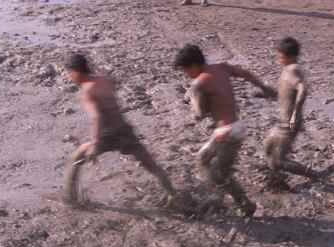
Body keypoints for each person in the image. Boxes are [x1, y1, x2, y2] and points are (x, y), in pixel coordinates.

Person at [61, 53, 178, 206]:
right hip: (124, 129)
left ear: (75, 71)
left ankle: (70, 199)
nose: (69, 77)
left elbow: (96, 117)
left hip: (106, 135)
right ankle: (172, 194)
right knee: (150, 163)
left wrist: (95, 143)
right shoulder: (104, 79)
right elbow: (114, 84)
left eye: (69, 73)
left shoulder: (86, 91)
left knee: (76, 158)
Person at [174, 44, 276, 216]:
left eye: (185, 70)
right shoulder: (221, 67)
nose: (186, 74)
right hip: (237, 127)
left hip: (226, 132)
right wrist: (264, 87)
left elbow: (199, 114)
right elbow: (246, 74)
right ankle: (219, 195)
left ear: (193, 65)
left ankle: (242, 204)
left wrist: (192, 97)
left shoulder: (198, 83)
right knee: (203, 159)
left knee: (218, 173)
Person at [264, 37, 319, 190]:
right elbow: (285, 93)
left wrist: (295, 113)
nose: (277, 58)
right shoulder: (287, 69)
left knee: (279, 160)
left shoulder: (294, 68)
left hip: (289, 123)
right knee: (268, 147)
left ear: (289, 56)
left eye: (279, 55)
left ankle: (314, 175)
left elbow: (303, 88)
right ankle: (277, 182)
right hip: (281, 121)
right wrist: (266, 94)